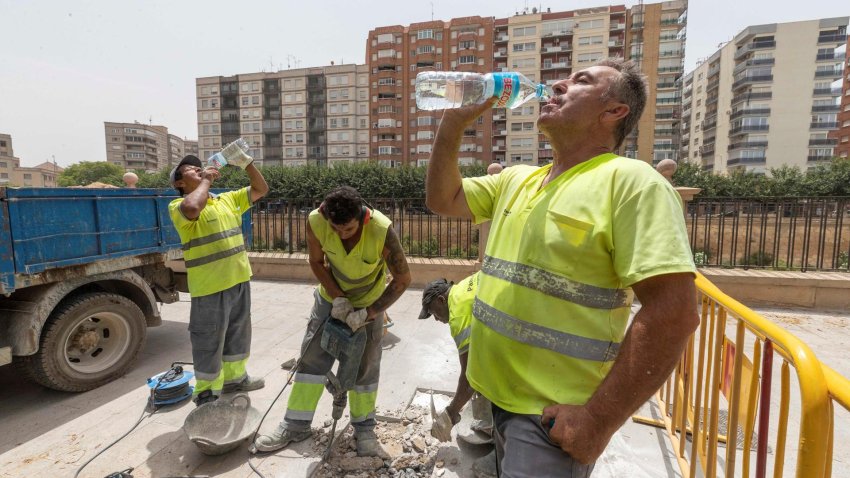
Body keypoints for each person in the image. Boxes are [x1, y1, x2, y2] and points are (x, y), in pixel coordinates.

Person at [426, 58, 699, 477]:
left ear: (614, 111)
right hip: (495, 397)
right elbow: (443, 198)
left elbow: (674, 313)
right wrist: (453, 124)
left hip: (551, 418)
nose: (557, 85)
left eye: (580, 81)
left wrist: (599, 420)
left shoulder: (633, 183)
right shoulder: (518, 179)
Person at [254, 186, 412, 456]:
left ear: (361, 219)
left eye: (348, 230)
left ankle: (364, 428)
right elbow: (316, 262)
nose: (340, 235)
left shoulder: (380, 229)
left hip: (368, 304)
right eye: (336, 229)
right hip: (330, 300)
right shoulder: (316, 220)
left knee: (365, 368)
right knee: (311, 360)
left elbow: (403, 279)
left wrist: (369, 313)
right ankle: (296, 424)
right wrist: (338, 299)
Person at [168, 153, 270, 406]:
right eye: (191, 170)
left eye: (199, 167)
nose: (198, 169)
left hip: (239, 280)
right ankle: (206, 391)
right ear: (180, 183)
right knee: (208, 340)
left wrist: (247, 162)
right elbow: (193, 208)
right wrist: (206, 181)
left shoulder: (226, 200)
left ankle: (235, 379)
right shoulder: (178, 206)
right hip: (210, 287)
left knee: (238, 334)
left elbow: (261, 189)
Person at [420, 272, 497, 478]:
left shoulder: (458, 315)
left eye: (434, 313)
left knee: (502, 382)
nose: (436, 319)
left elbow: (469, 376)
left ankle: (502, 457)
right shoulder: (463, 287)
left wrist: (451, 413)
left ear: (441, 300)